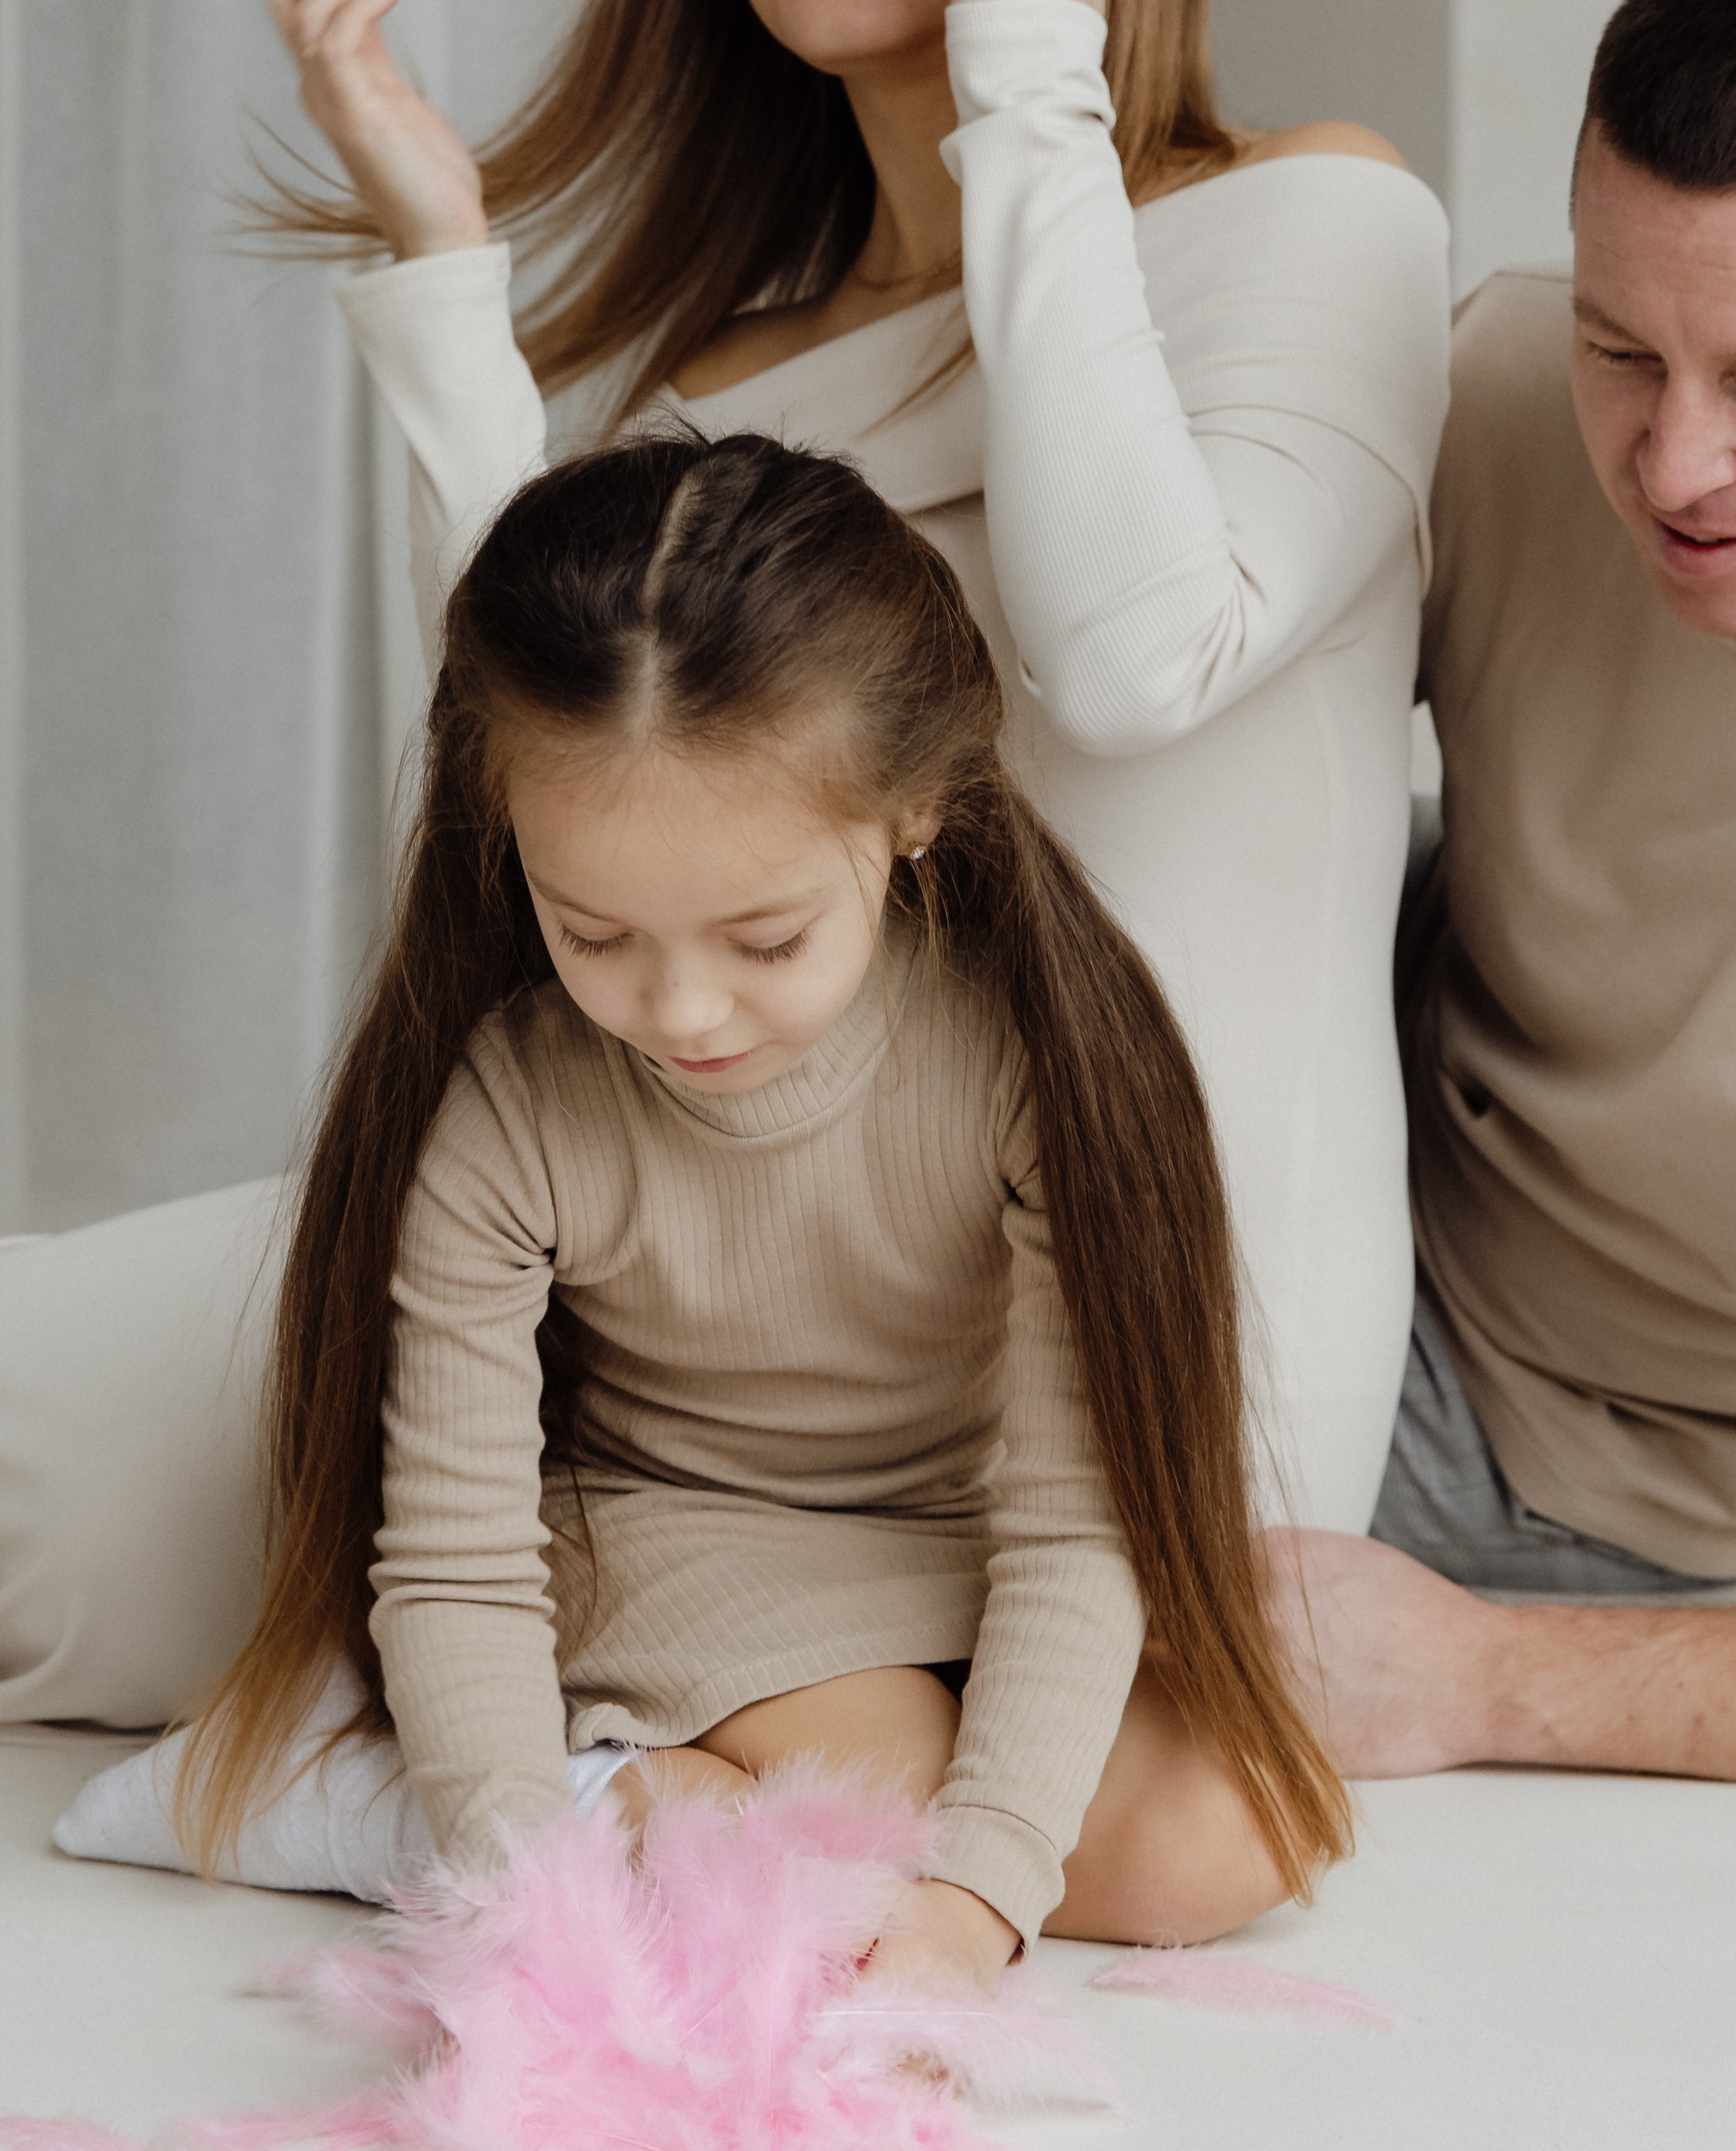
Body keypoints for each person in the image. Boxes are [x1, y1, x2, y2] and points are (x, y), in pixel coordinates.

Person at [169, 431, 1350, 1989]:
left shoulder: (1028, 1065)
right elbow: (456, 1563)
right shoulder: (511, 1112)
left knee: (1238, 1833)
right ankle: (547, 1803)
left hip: (940, 1545)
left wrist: (973, 1908)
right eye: (594, 933)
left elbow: (1076, 1520)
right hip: (665, 1535)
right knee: (881, 1771)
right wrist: (528, 1902)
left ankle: (654, 1802)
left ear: (917, 811)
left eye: (764, 936)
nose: (680, 1008)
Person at [265, 0, 1451, 1535]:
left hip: (1149, 1353)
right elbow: (555, 760)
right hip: (708, 1310)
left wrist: (1032, 66)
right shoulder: (742, 370)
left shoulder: (1315, 219)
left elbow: (1129, 662)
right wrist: (437, 254)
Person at [1270, 0, 1736, 1783]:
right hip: (1414, 1310)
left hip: (1664, 1541)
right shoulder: (1492, 394)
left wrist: (1491, 1683)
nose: (1677, 468)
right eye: (1623, 348)